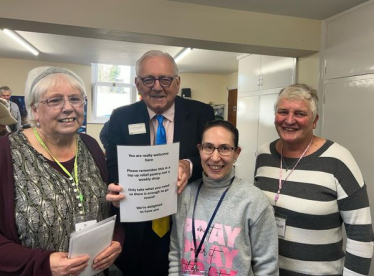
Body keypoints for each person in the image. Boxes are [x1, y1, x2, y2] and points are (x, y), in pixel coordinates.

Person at [0, 66, 124, 276]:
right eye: (55, 100)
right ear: (35, 109)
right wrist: (43, 263)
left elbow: (111, 212)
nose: (68, 108)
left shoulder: (90, 145)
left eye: (75, 99)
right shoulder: (6, 152)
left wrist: (117, 241)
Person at [106, 50, 215, 275]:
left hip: (186, 224)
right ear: (137, 83)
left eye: (165, 79)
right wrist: (115, 189)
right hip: (137, 227)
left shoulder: (201, 114)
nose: (157, 87)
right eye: (148, 79)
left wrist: (189, 164)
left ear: (177, 82)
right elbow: (113, 165)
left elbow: (214, 157)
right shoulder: (121, 117)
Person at [254, 83, 374, 275]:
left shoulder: (338, 160)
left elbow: (361, 234)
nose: (289, 120)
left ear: (315, 120)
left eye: (300, 114)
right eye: (283, 111)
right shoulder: (263, 155)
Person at [169, 120, 279, 275]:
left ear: (237, 153)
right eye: (208, 147)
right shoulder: (185, 195)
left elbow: (267, 267)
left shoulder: (254, 202)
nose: (215, 158)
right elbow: (176, 253)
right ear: (200, 149)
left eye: (224, 148)